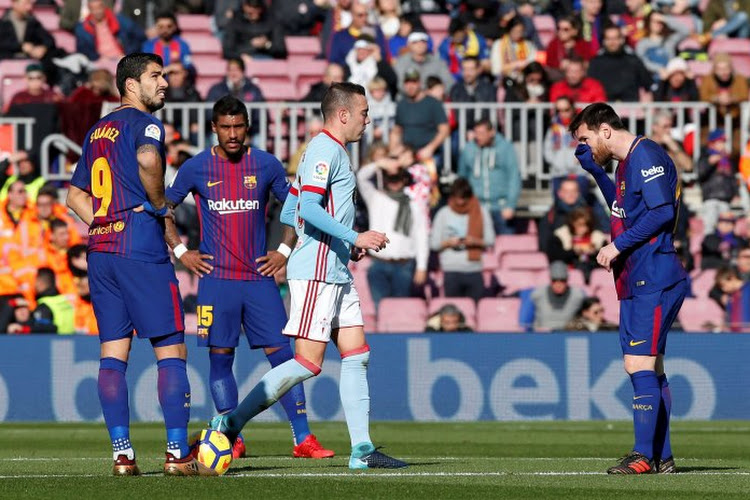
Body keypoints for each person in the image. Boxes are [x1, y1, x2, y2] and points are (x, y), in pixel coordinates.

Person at [207, 82, 407, 470]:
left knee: (356, 356)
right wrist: (353, 234)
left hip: (335, 266)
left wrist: (345, 245)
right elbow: (310, 209)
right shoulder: (323, 149)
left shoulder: (330, 151)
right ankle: (229, 423)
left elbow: (289, 213)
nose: (368, 119)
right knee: (308, 363)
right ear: (344, 114)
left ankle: (363, 451)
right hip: (316, 271)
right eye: (364, 112)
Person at [166, 95, 334, 460]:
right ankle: (230, 435)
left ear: (247, 127)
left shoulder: (266, 164)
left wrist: (284, 251)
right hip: (216, 281)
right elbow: (165, 208)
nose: (232, 134)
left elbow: (297, 206)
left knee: (284, 357)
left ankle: (302, 438)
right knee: (220, 358)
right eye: (225, 127)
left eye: (238, 126)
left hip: (260, 280)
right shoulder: (196, 168)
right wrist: (181, 252)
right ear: (213, 128)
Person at [66, 53, 209, 476]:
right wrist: (160, 205)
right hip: (139, 245)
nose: (164, 83)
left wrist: (108, 223)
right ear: (131, 85)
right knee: (171, 349)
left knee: (113, 353)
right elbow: (149, 161)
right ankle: (177, 455)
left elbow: (74, 197)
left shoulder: (96, 130)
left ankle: (123, 456)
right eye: (155, 76)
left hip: (102, 248)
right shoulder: (145, 123)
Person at [571, 102, 688, 474]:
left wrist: (617, 245)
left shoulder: (646, 155)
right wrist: (595, 172)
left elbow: (662, 212)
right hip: (639, 276)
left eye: (586, 140)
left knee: (638, 363)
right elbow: (622, 209)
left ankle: (642, 456)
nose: (586, 147)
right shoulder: (625, 165)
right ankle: (662, 457)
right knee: (650, 367)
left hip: (654, 273)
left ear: (605, 130)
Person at [356, 154, 429, 309]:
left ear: (404, 180)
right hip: (379, 264)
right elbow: (362, 177)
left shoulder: (415, 204)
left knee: (401, 311)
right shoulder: (376, 197)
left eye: (398, 179)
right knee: (380, 310)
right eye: (391, 179)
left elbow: (421, 236)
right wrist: (381, 164)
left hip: (405, 265)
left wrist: (422, 267)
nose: (394, 183)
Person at [430, 178, 495, 302]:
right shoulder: (443, 214)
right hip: (451, 270)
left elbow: (490, 240)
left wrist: (474, 241)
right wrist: (448, 243)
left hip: (474, 270)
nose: (460, 202)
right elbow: (434, 244)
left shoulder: (481, 212)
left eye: (463, 198)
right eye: (457, 197)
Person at [457, 119, 521, 235]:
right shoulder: (468, 149)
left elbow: (514, 177)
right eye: (476, 133)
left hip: (501, 206)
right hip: (477, 207)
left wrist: (510, 205)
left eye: (481, 133)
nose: (478, 137)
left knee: (505, 243)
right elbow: (462, 178)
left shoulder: (505, 148)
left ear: (491, 132)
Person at [389, 69, 449, 164]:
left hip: (429, 154)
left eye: (414, 82)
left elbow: (444, 130)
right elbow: (396, 131)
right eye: (407, 82)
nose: (410, 86)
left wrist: (431, 148)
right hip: (407, 153)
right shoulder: (401, 105)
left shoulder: (433, 103)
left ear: (419, 83)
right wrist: (393, 152)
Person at [587, 23, 653, 102]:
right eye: (608, 39)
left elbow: (647, 85)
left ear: (622, 40)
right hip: (603, 110)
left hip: (632, 110)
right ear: (604, 41)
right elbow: (589, 87)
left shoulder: (634, 61)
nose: (612, 42)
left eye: (615, 38)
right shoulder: (596, 63)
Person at [547, 207, 608, 282]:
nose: (584, 228)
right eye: (579, 225)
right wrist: (573, 252)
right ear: (572, 224)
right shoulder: (560, 236)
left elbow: (606, 259)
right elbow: (554, 257)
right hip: (569, 274)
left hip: (592, 271)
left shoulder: (598, 237)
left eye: (586, 225)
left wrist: (594, 253)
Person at [697, 129, 738, 235]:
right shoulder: (705, 156)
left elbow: (731, 178)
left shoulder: (726, 159)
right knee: (709, 227)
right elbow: (701, 173)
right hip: (711, 199)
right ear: (712, 143)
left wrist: (735, 193)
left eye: (724, 142)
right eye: (720, 142)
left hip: (725, 199)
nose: (723, 145)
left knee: (726, 228)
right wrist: (709, 163)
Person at [529, 261, 587, 331]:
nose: (558, 284)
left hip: (568, 336)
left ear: (567, 280)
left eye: (562, 281)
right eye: (554, 280)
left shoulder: (578, 296)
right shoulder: (537, 294)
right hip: (542, 337)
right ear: (550, 280)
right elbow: (526, 322)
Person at [30, 266, 75, 334]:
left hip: (54, 342)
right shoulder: (65, 301)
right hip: (73, 341)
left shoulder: (44, 305)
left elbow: (41, 332)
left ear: (40, 282)